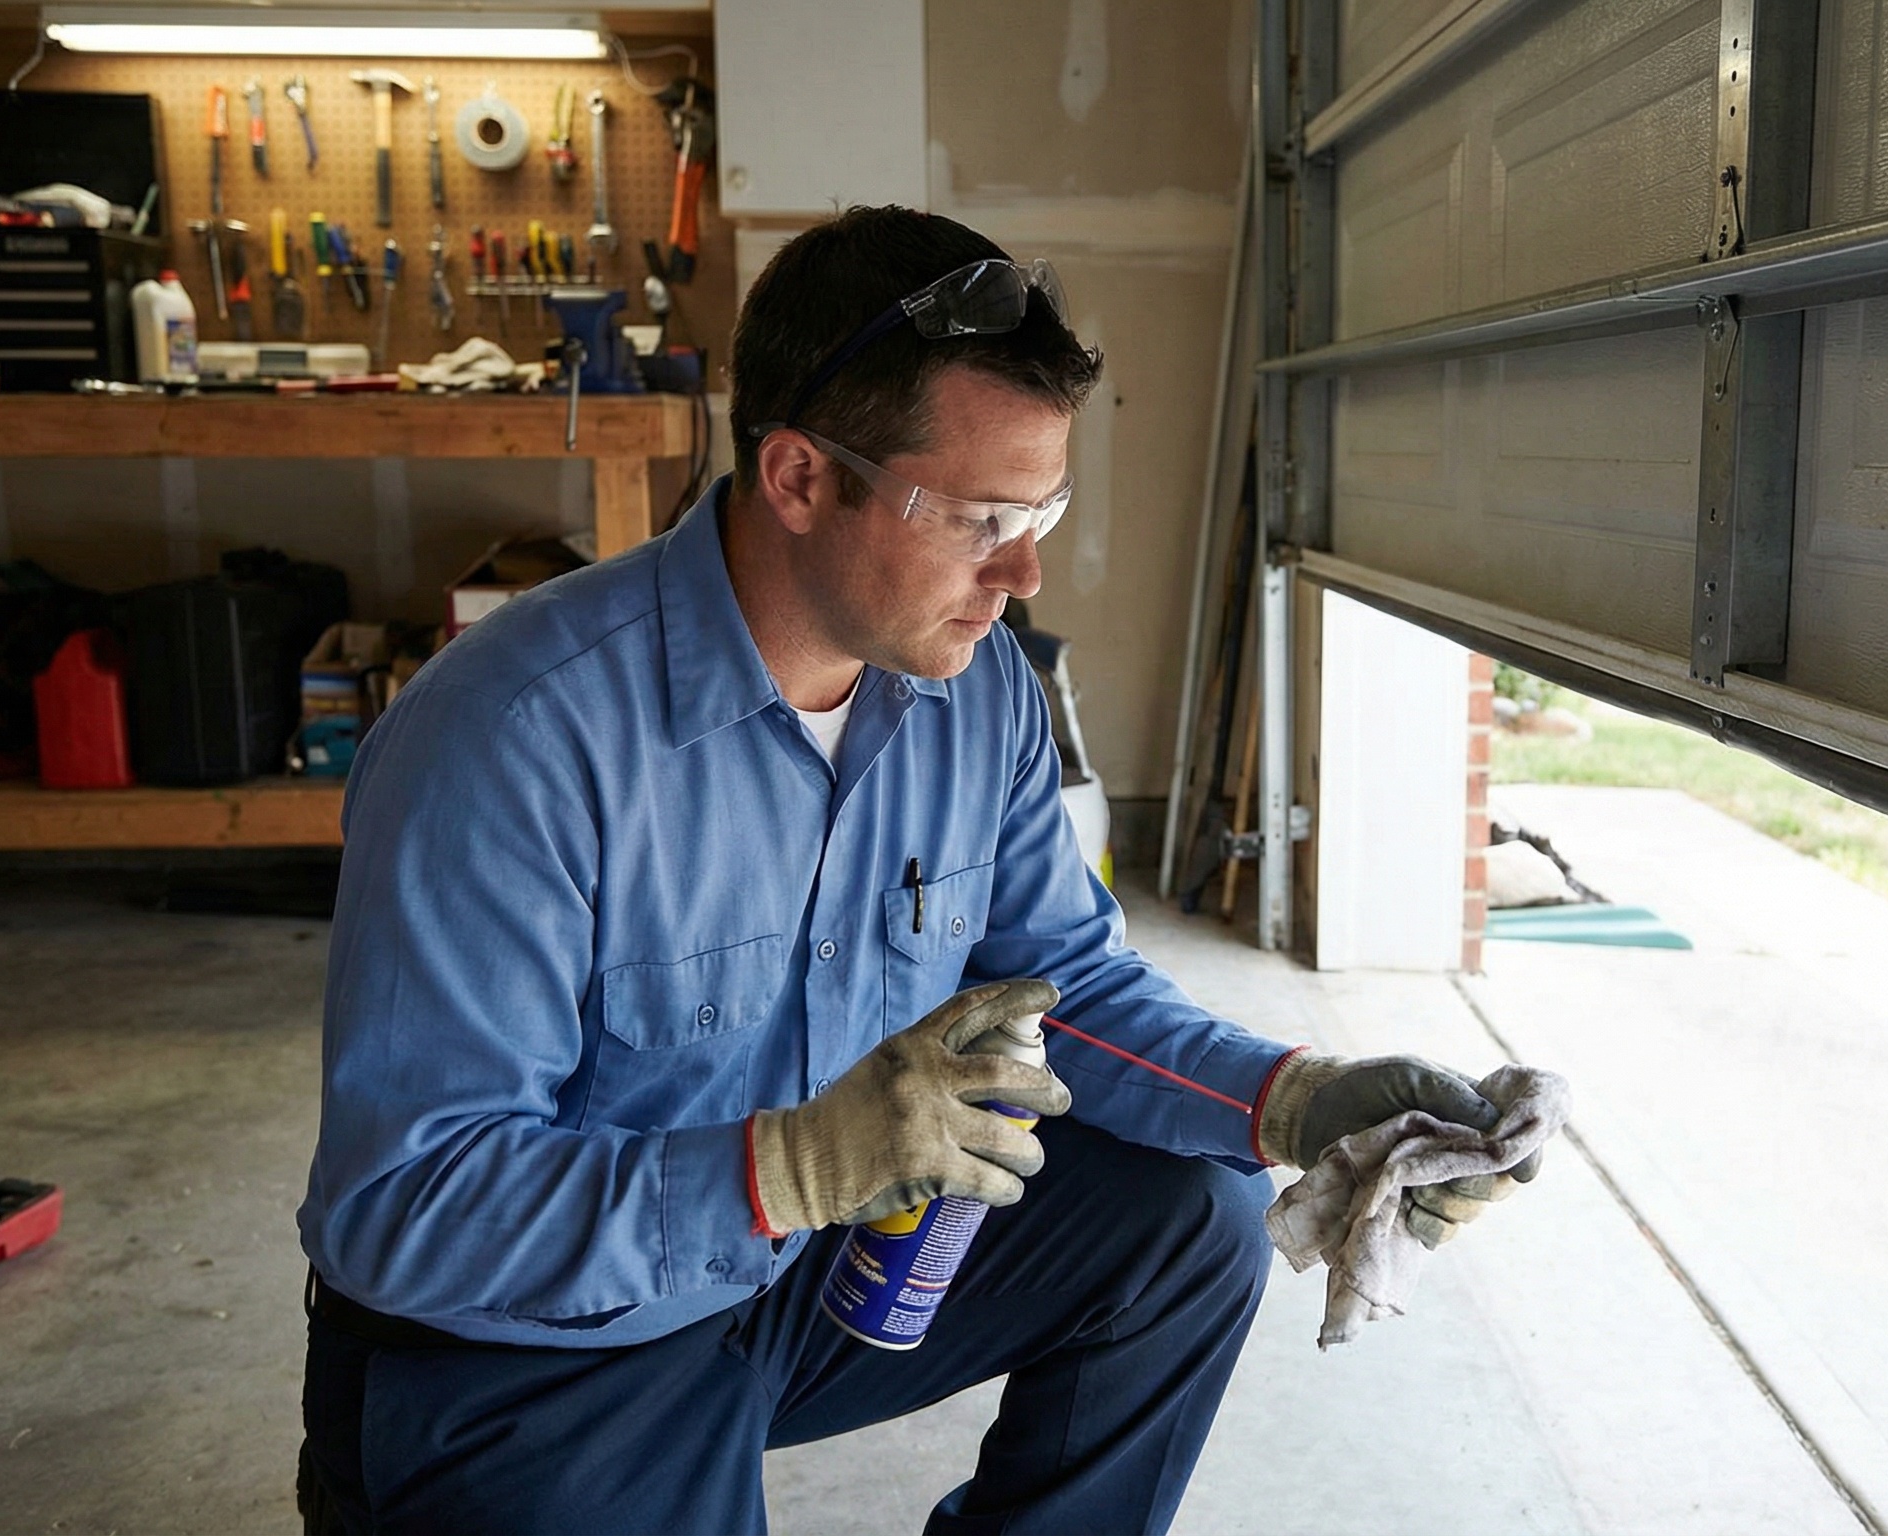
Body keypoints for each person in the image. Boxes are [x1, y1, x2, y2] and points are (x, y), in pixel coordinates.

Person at [295, 205, 1538, 1536]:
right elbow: (404, 1212)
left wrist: (1295, 1099)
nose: (1025, 568)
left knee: (1194, 1215)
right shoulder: (516, 738)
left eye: (1044, 506)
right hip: (530, 1355)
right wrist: (782, 1172)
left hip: (790, 1273)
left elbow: (1063, 995)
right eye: (980, 515)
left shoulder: (974, 691)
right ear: (798, 479)